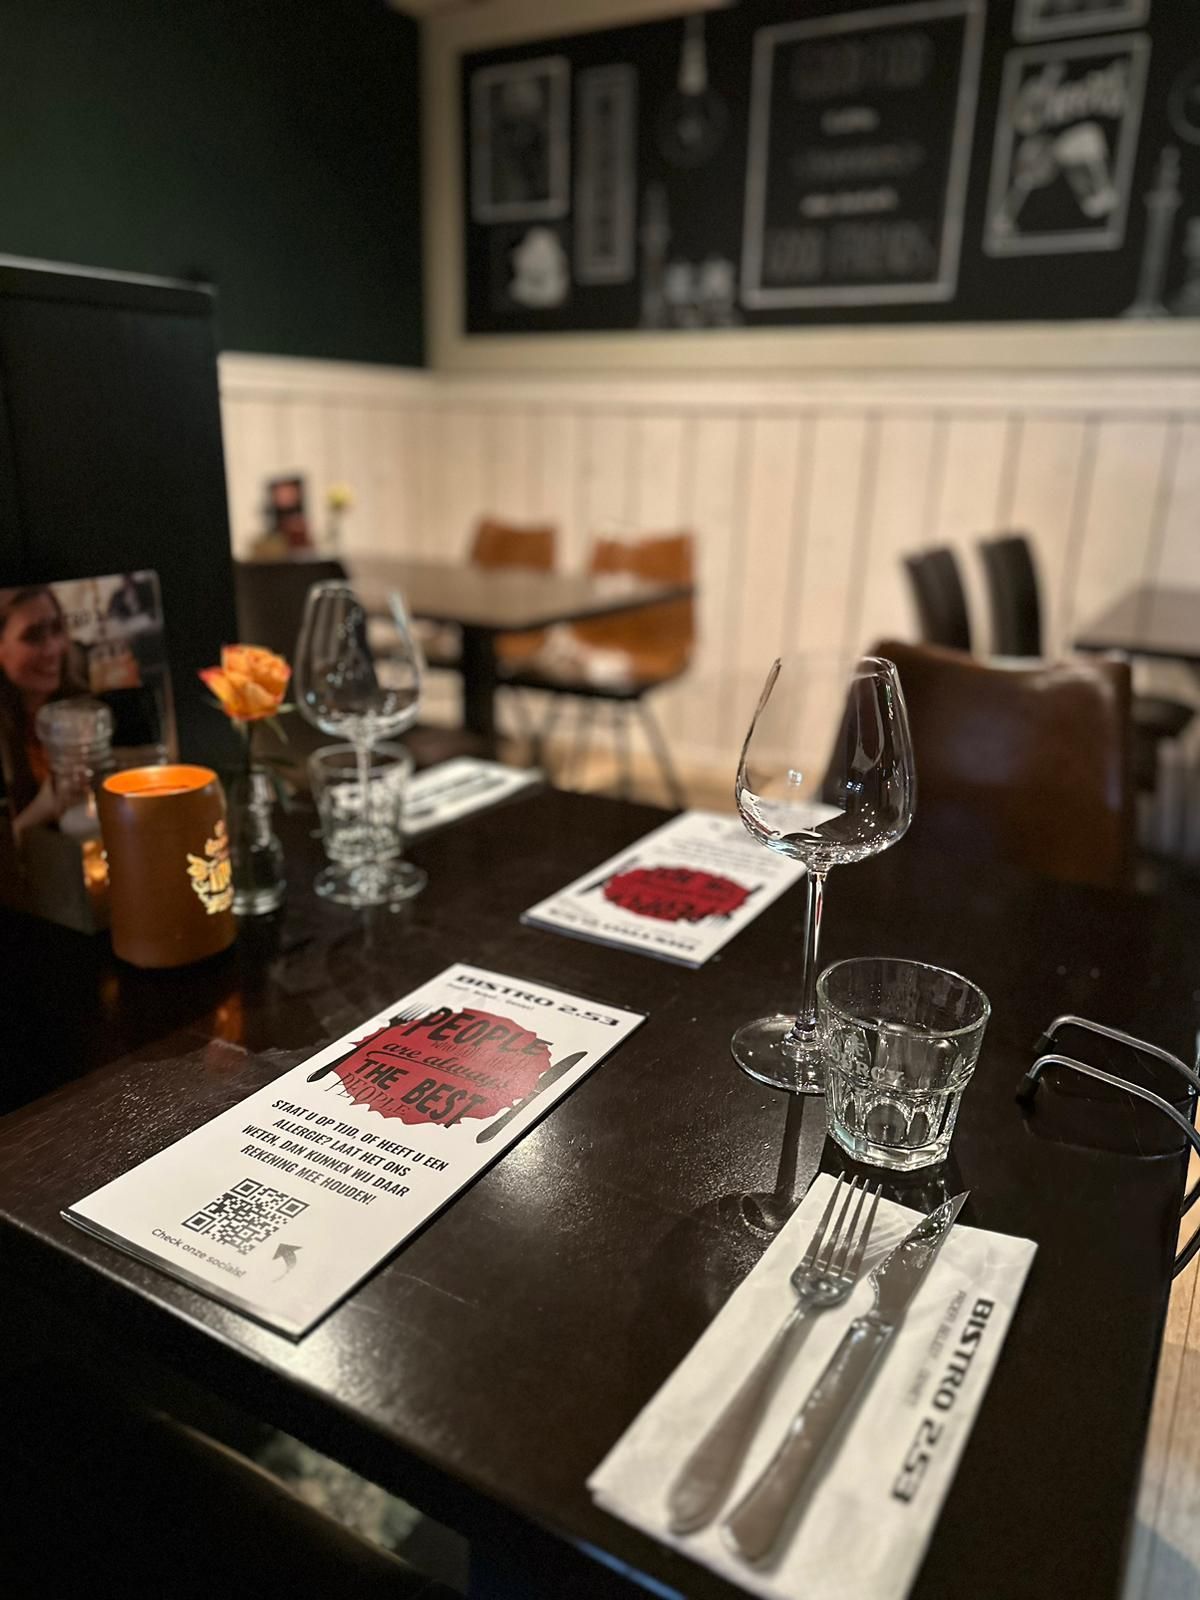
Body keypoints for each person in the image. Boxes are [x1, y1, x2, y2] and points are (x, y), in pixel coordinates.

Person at [0, 585, 88, 843]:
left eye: (57, 629)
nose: (53, 649)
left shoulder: (86, 708)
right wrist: (42, 808)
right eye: (34, 636)